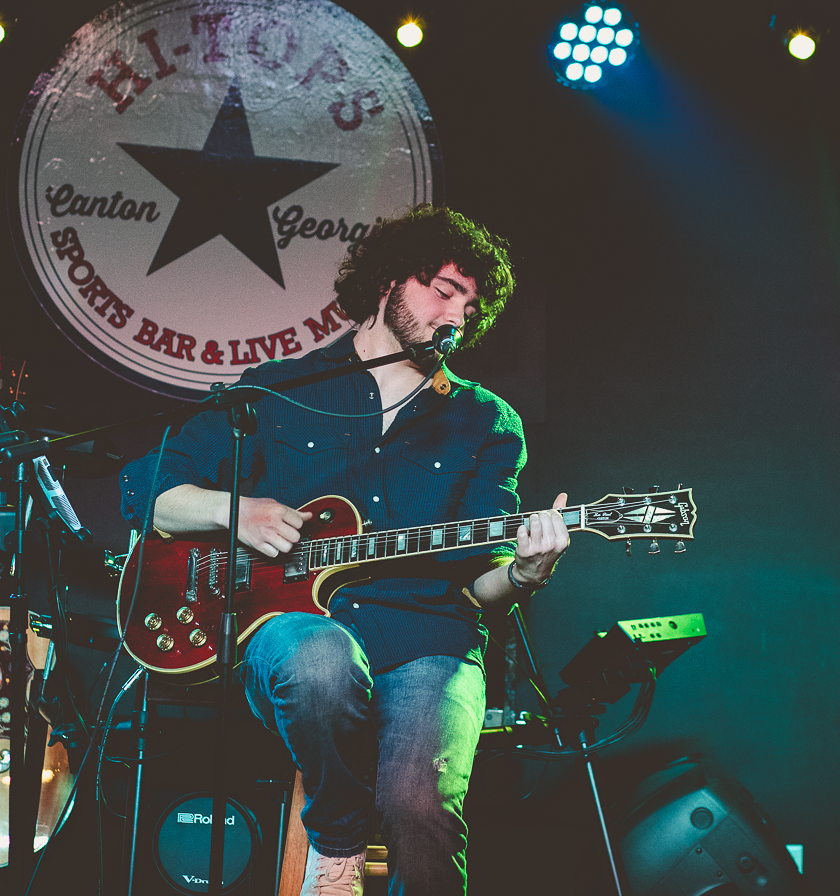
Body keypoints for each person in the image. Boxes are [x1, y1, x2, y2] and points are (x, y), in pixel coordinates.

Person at [119, 204, 571, 895]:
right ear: (389, 279)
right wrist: (231, 510)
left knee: (421, 803)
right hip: (291, 629)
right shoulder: (280, 389)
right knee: (321, 657)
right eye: (443, 289)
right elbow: (145, 490)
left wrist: (524, 571)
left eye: (470, 305)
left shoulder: (485, 421)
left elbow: (478, 585)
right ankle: (337, 845)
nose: (456, 314)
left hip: (428, 637)